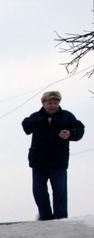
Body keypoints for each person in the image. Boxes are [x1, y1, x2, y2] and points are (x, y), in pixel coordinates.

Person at [22, 90, 84, 220]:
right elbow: (26, 126)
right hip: (39, 162)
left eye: (55, 103)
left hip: (58, 162)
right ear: (43, 103)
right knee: (39, 192)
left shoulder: (66, 116)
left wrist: (70, 134)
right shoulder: (36, 116)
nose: (53, 105)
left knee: (60, 192)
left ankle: (61, 219)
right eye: (50, 103)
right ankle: (46, 218)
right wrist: (45, 122)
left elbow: (80, 129)